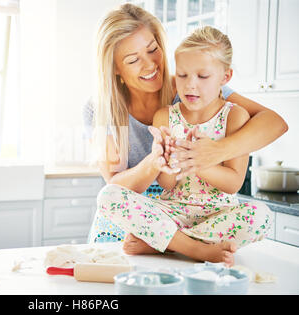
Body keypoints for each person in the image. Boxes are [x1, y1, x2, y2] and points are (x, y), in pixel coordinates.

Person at [84, 4, 288, 264]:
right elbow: (115, 183)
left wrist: (211, 153)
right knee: (109, 202)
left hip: (203, 215)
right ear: (114, 68)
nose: (150, 65)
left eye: (152, 49)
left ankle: (168, 245)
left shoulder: (195, 90)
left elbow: (274, 122)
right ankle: (189, 246)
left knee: (261, 216)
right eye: (133, 60)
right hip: (142, 211)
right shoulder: (101, 110)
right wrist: (155, 162)